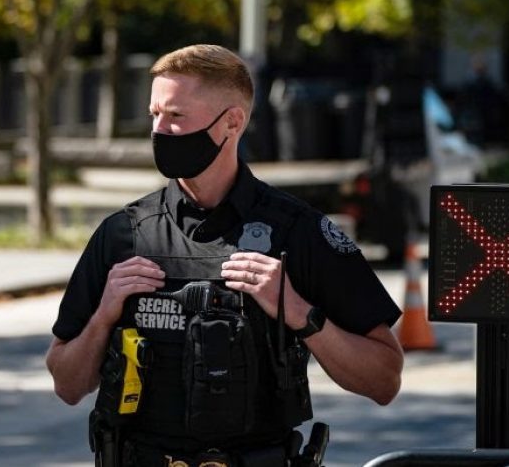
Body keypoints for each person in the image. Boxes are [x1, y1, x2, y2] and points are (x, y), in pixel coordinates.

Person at [46, 45, 404, 467]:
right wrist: (104, 315)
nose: (160, 130)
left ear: (231, 122)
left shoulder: (298, 231)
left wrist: (300, 314)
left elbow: (384, 379)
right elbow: (68, 385)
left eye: (176, 116)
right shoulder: (124, 234)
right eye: (154, 115)